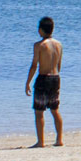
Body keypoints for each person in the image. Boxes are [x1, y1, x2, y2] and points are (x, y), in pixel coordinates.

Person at [26, 16, 64, 148]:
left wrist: (28, 82)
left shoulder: (39, 45)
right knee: (55, 109)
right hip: (55, 78)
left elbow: (34, 65)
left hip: (43, 78)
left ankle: (40, 142)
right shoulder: (59, 44)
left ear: (41, 30)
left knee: (39, 111)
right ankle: (59, 140)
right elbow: (59, 65)